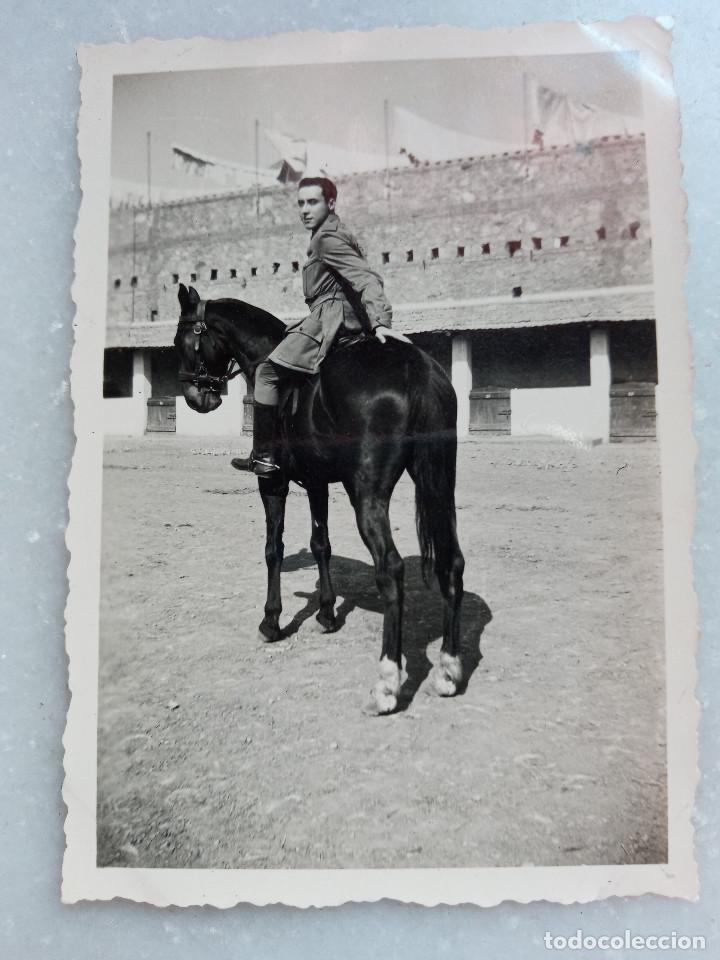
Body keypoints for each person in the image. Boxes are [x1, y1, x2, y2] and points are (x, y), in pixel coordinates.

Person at [231, 176, 410, 475]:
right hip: (338, 315)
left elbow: (366, 278)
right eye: (300, 203)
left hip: (330, 318)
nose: (304, 209)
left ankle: (263, 456)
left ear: (331, 203)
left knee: (266, 372)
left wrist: (381, 323)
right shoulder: (334, 232)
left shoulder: (325, 239)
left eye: (312, 202)